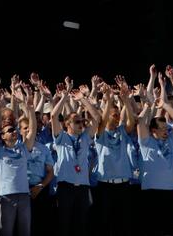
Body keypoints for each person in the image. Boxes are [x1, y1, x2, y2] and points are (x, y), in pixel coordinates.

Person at [50, 86, 100, 236]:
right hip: (66, 187)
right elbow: (53, 116)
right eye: (76, 122)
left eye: (81, 122)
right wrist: (65, 97)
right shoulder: (61, 137)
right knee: (65, 225)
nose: (80, 124)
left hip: (83, 187)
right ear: (67, 124)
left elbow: (97, 118)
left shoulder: (84, 136)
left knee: (82, 225)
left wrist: (83, 99)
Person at [0, 86, 37, 236]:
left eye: (14, 130)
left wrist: (30, 110)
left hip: (24, 195)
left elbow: (32, 130)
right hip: (6, 197)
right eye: (9, 131)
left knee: (24, 232)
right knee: (6, 233)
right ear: (2, 136)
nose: (14, 132)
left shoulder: (22, 148)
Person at [93, 82, 136, 236]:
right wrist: (109, 99)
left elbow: (131, 123)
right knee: (105, 223)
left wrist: (125, 101)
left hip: (123, 184)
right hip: (105, 186)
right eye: (115, 115)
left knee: (123, 224)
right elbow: (102, 121)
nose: (118, 117)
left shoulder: (122, 130)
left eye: (118, 114)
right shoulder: (100, 132)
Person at [137, 97, 173, 236]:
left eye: (166, 128)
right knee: (153, 228)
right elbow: (140, 121)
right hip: (152, 191)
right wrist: (146, 106)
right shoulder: (146, 142)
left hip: (171, 190)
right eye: (162, 129)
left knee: (171, 228)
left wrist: (164, 105)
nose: (166, 131)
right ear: (153, 130)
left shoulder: (172, 140)